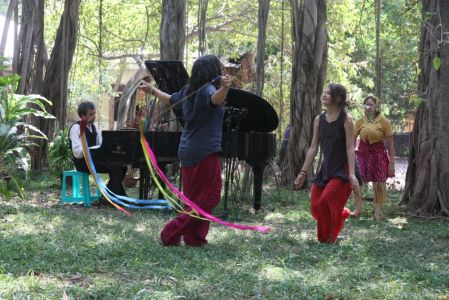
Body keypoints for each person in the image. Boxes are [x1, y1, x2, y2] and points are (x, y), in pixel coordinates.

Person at [140, 55, 232, 247]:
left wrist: (153, 91)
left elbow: (171, 99)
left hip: (188, 149)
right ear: (212, 71)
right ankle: (170, 232)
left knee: (194, 197)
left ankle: (194, 238)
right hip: (204, 151)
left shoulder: (188, 90)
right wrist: (225, 88)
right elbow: (214, 100)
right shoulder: (208, 89)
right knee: (209, 197)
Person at [294, 83, 362, 244]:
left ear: (337, 98)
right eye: (323, 92)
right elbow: (313, 147)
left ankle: (327, 239)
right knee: (316, 206)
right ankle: (341, 213)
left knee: (327, 200)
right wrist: (303, 172)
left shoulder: (347, 120)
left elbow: (350, 148)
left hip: (344, 169)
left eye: (328, 93)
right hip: (327, 168)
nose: (323, 95)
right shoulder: (319, 119)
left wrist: (352, 173)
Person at [68, 101, 127, 199]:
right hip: (83, 163)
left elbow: (101, 145)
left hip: (95, 161)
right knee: (115, 167)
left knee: (122, 165)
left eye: (94, 113)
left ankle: (110, 192)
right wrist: (92, 150)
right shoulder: (76, 128)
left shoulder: (94, 128)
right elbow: (77, 153)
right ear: (82, 115)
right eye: (91, 114)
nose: (94, 116)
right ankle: (113, 195)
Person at [354, 96, 395, 221]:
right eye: (366, 104)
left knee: (379, 183)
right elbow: (352, 139)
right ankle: (358, 209)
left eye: (371, 104)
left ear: (376, 106)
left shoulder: (384, 121)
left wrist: (391, 163)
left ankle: (377, 214)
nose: (368, 107)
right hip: (362, 154)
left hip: (378, 154)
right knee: (358, 181)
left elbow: (390, 143)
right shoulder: (360, 121)